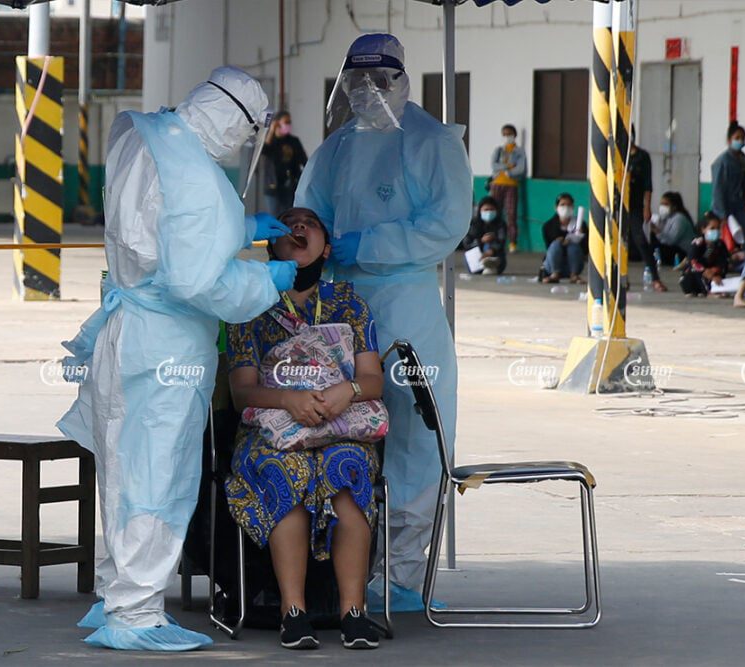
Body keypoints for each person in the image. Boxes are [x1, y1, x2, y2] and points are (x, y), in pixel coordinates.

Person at [56, 66, 298, 652]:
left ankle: (116, 594)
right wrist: (265, 280)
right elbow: (196, 280)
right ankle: (136, 612)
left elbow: (161, 230)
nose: (241, 146)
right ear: (235, 120)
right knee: (158, 473)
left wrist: (236, 228)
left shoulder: (147, 138)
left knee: (122, 466)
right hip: (168, 347)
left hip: (127, 331)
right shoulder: (199, 175)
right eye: (246, 133)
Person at [296, 33, 471, 612]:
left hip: (407, 310)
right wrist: (304, 240)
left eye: (378, 81)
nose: (367, 93)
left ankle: (400, 573)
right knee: (339, 430)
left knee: (417, 434)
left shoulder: (432, 142)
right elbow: (308, 218)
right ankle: (337, 569)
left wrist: (367, 243)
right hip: (342, 313)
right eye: (356, 82)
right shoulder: (336, 149)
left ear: (402, 80)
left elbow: (446, 225)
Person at [225, 207, 385, 650]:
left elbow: (374, 381)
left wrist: (348, 390)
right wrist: (288, 401)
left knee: (347, 471)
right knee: (287, 474)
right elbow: (241, 392)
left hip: (340, 425)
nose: (298, 227)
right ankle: (292, 613)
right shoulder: (250, 304)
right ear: (271, 244)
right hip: (272, 431)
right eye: (288, 222)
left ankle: (354, 613)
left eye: (310, 223)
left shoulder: (350, 304)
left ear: (326, 248)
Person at [626, 127, 666, 291]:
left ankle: (655, 278)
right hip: (618, 205)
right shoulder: (615, 155)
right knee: (619, 243)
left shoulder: (642, 157)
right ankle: (621, 277)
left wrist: (647, 207)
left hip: (635, 205)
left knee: (641, 240)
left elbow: (647, 185)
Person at [711, 121, 745, 241]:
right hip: (723, 208)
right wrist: (722, 215)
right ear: (729, 140)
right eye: (737, 138)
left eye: (742, 138)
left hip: (740, 206)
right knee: (726, 241)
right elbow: (718, 190)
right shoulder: (722, 162)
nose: (740, 141)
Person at [262, 111, 308, 216]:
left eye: (289, 122)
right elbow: (264, 151)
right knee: (274, 216)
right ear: (277, 123)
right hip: (273, 187)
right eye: (286, 122)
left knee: (288, 216)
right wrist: (271, 130)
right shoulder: (272, 141)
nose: (288, 125)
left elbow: (304, 160)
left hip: (290, 187)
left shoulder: (294, 141)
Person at [489, 124, 526, 252]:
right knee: (494, 212)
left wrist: (509, 173)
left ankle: (512, 242)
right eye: (504, 134)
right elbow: (493, 165)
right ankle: (494, 239)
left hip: (511, 184)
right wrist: (508, 166)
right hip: (496, 183)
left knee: (511, 214)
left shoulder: (519, 151)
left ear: (514, 135)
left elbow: (521, 168)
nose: (507, 137)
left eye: (509, 134)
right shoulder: (499, 150)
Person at [680, 212, 729, 297]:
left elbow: (724, 261)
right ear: (703, 229)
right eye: (712, 228)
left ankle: (716, 288)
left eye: (718, 228)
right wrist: (705, 271)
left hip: (714, 273)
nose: (716, 231)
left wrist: (715, 270)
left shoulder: (720, 244)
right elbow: (693, 261)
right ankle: (708, 290)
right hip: (697, 276)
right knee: (693, 270)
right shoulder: (697, 243)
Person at [541, 193, 586, 284]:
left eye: (569, 205)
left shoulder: (580, 224)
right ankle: (555, 274)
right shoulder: (548, 226)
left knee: (573, 246)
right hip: (552, 264)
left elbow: (586, 249)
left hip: (573, 264)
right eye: (562, 205)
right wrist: (560, 241)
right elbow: (549, 248)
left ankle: (574, 275)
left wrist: (580, 236)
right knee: (556, 245)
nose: (566, 208)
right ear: (556, 207)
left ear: (573, 207)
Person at [461, 196, 507, 274]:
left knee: (493, 248)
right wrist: (480, 241)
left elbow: (502, 241)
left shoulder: (500, 224)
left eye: (491, 210)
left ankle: (491, 265)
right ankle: (484, 266)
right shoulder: (473, 224)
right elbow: (467, 243)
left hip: (494, 254)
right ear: (480, 211)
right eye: (486, 210)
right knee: (475, 269)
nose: (489, 212)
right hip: (476, 254)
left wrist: (492, 249)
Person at [651, 191, 697, 267]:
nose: (662, 207)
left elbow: (671, 241)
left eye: (666, 204)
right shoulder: (667, 218)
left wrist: (655, 230)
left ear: (674, 206)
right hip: (674, 248)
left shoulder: (679, 218)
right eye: (661, 204)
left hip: (683, 252)